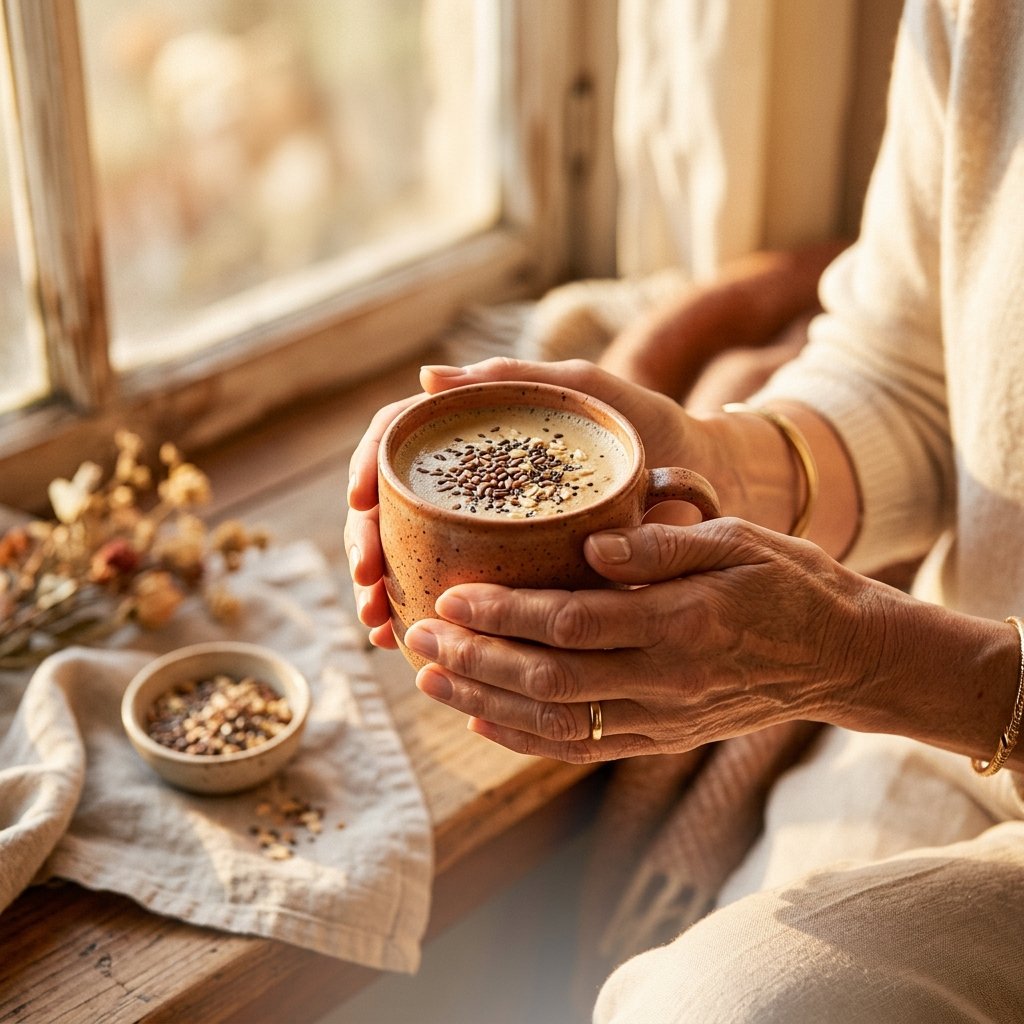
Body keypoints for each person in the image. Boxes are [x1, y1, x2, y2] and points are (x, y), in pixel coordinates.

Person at [346, 1, 1024, 1019]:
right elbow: (915, 369)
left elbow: (902, 667)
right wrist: (719, 459)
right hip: (946, 730)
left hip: (958, 698)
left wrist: (875, 665)